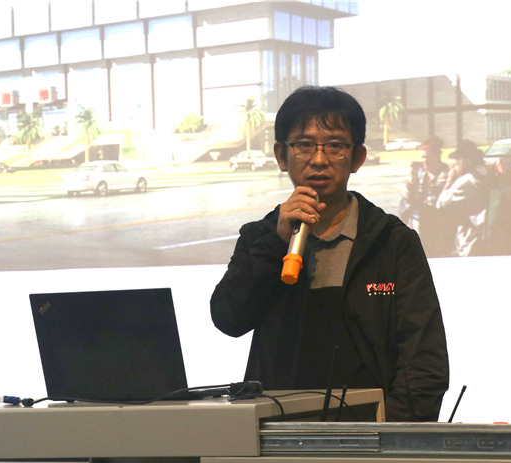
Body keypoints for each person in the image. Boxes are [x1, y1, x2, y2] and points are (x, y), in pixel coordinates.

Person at [210, 86, 449, 422]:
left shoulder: (392, 242)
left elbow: (424, 358)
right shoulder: (260, 237)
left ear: (357, 157)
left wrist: (389, 431)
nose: (319, 160)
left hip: (370, 437)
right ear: (281, 155)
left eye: (335, 145)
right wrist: (277, 243)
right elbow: (229, 318)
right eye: (304, 145)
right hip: (279, 437)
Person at [435, 140, 493, 257]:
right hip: (487, 236)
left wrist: (449, 180)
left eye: (457, 160)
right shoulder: (487, 174)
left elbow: (441, 204)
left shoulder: (466, 181)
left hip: (471, 240)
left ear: (467, 159)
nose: (455, 165)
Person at [399, 136, 451, 257]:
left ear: (437, 156)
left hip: (437, 223)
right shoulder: (420, 173)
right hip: (416, 222)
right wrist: (411, 181)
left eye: (428, 157)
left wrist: (416, 200)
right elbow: (406, 199)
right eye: (423, 157)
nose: (425, 161)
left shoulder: (445, 173)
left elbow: (434, 200)